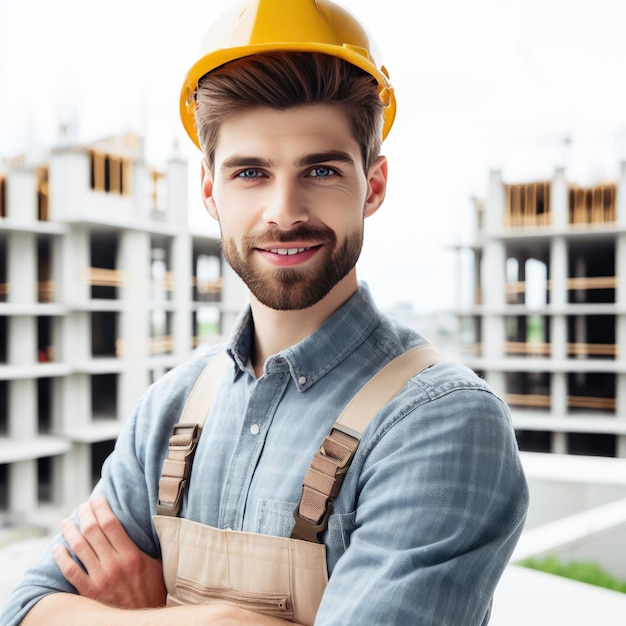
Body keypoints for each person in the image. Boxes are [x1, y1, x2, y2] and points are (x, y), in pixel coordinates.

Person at [1, 0, 528, 624]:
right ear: (208, 191)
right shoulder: (169, 409)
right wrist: (224, 621)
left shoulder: (441, 422)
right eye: (250, 172)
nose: (284, 210)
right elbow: (25, 609)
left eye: (322, 170)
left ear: (374, 185)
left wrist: (146, 612)